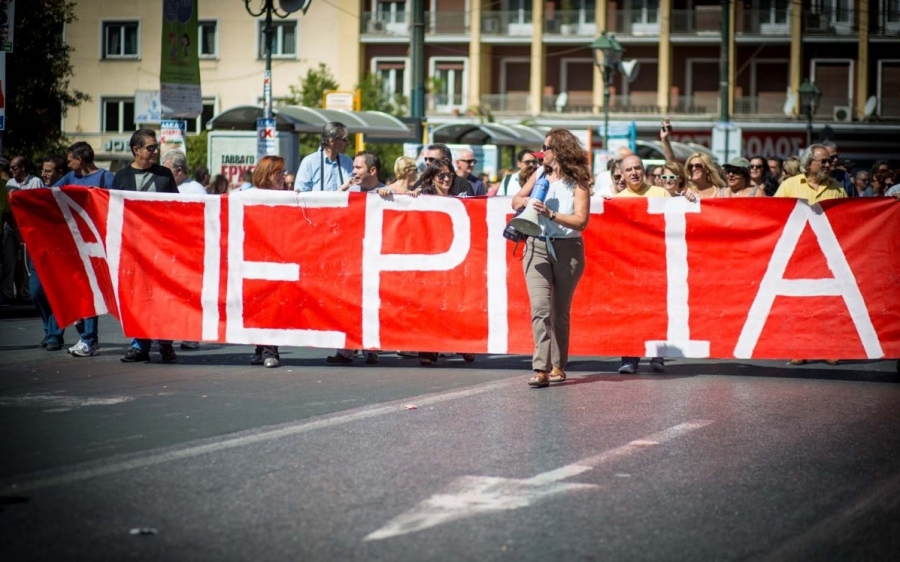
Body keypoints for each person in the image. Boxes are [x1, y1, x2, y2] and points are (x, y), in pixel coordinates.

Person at [511, 129, 591, 387]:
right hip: (536, 246)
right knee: (540, 310)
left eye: (545, 147)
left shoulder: (578, 182)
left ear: (559, 151)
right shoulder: (539, 174)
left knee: (559, 314)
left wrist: (550, 214)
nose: (541, 152)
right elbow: (515, 199)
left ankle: (558, 364)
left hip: (568, 249)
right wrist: (526, 204)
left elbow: (581, 221)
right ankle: (541, 368)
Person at [774, 144, 847, 367]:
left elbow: (846, 220)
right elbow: (774, 213)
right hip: (797, 253)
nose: (828, 165)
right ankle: (799, 349)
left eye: (828, 161)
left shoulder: (837, 189)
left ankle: (828, 348)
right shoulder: (789, 185)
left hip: (827, 255)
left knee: (827, 303)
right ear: (809, 163)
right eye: (822, 161)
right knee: (799, 304)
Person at [114, 129, 180, 364]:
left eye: (156, 147)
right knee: (136, 297)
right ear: (136, 150)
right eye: (150, 147)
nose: (155, 151)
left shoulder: (164, 175)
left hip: (160, 249)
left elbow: (177, 208)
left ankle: (166, 343)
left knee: (163, 296)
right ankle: (139, 344)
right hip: (132, 249)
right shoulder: (120, 177)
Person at [53, 141, 116, 357]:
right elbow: (49, 194)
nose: (67, 164)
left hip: (99, 244)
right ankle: (87, 338)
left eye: (70, 160)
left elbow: (116, 206)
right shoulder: (71, 178)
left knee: (97, 291)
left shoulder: (106, 178)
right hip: (76, 244)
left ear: (80, 160)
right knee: (82, 290)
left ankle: (91, 339)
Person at [614, 154, 670, 375]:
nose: (634, 173)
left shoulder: (662, 193)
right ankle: (629, 358)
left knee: (657, 310)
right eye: (629, 170)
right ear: (623, 174)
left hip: (656, 261)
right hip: (629, 265)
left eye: (637, 168)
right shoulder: (617, 199)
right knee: (630, 312)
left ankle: (658, 356)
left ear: (644, 170)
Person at [246, 156, 289, 368]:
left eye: (283, 172)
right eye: (278, 172)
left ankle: (270, 351)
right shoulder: (248, 197)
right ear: (266, 175)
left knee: (273, 306)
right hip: (255, 260)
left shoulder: (288, 198)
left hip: (279, 261)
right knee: (259, 306)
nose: (283, 176)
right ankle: (260, 349)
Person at [29, 155, 67, 350]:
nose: (44, 174)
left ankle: (54, 335)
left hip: (59, 253)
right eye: (43, 170)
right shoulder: (38, 193)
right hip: (38, 250)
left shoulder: (66, 194)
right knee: (36, 291)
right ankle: (48, 329)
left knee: (55, 293)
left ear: (60, 173)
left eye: (49, 171)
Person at [2, 156, 44, 305]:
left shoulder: (35, 182)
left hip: (28, 228)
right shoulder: (9, 183)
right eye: (10, 168)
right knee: (9, 262)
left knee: (27, 263)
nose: (11, 171)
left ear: (23, 168)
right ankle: (7, 294)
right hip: (11, 227)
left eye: (14, 168)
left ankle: (26, 294)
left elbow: (39, 204)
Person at [295, 121, 353, 192]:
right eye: (344, 139)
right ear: (331, 140)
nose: (348, 143)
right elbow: (301, 193)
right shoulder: (309, 162)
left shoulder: (348, 162)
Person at [411, 143, 478, 197]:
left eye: (431, 159)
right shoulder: (422, 182)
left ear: (446, 160)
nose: (427, 162)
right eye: (426, 159)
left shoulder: (463, 184)